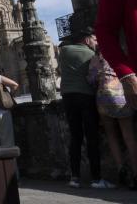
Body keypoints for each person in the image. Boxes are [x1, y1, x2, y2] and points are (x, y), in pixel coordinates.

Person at [59, 27, 115, 189]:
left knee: (75, 137)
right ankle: (96, 179)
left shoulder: (64, 51)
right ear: (86, 40)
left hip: (68, 97)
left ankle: (74, 178)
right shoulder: (92, 55)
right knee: (91, 137)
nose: (96, 42)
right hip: (85, 96)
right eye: (94, 39)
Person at [89, 53, 137, 188]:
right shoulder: (123, 54)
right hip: (121, 96)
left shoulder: (96, 58)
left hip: (103, 99)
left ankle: (121, 169)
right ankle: (136, 174)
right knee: (129, 137)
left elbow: (91, 80)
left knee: (111, 136)